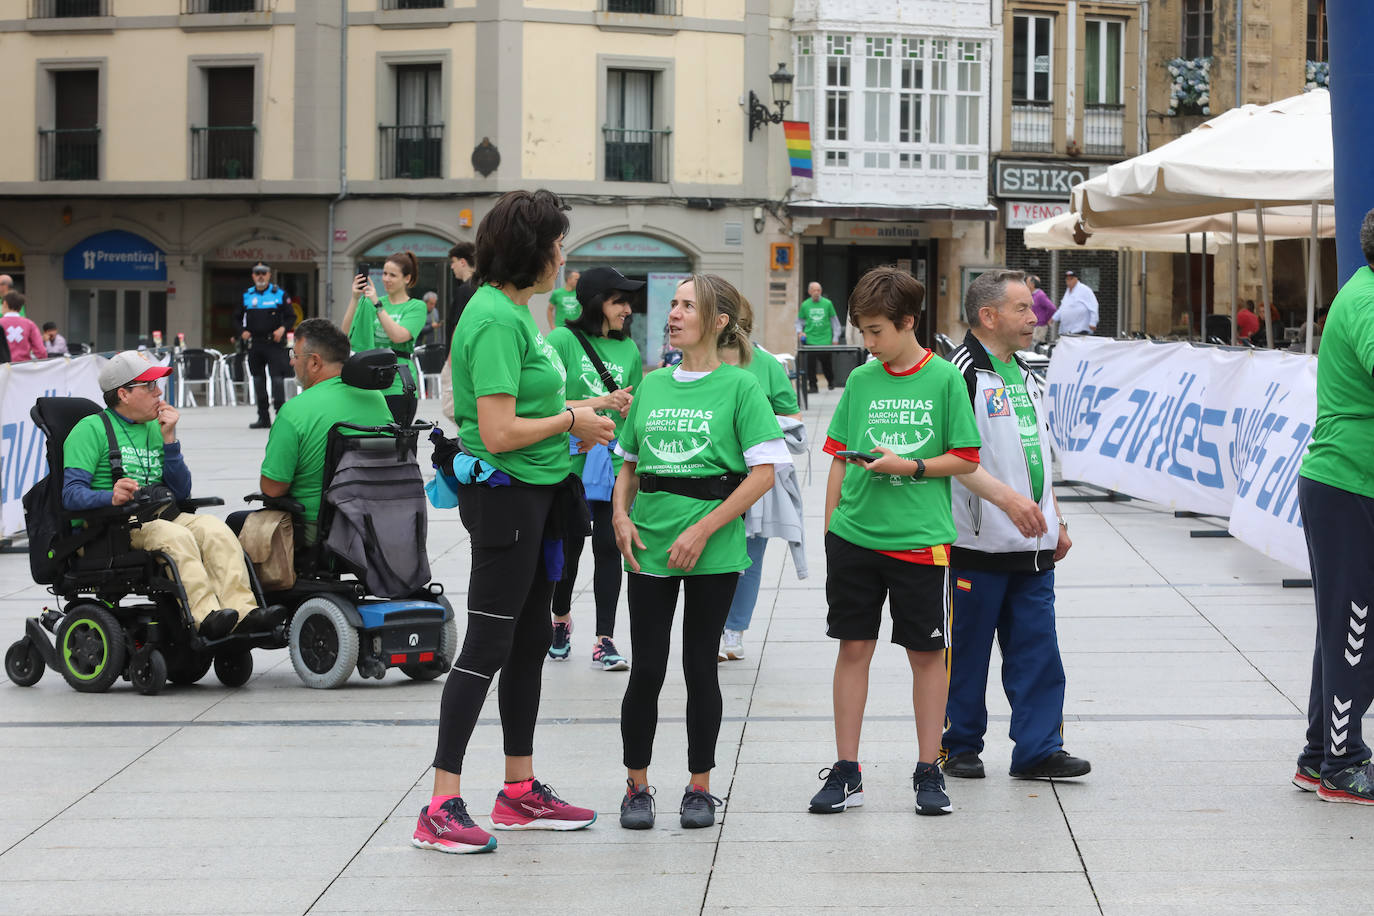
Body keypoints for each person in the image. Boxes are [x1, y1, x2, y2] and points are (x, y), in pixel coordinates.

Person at [414, 189, 615, 855]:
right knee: (489, 645)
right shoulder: (497, 320)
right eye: (558, 243)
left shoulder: (516, 316)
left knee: (528, 639)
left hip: (536, 494)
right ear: (535, 251)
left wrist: (586, 406)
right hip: (507, 497)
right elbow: (496, 430)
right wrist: (572, 422)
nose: (565, 255)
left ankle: (518, 791)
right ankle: (441, 804)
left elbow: (526, 403)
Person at [613, 274, 785, 831]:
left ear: (718, 321)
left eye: (689, 306)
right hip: (647, 543)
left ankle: (699, 787)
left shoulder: (740, 387)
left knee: (698, 668)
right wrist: (620, 514)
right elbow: (630, 462)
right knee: (646, 669)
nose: (675, 313)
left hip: (712, 547)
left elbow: (763, 473)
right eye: (674, 304)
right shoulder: (653, 383)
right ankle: (636, 787)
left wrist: (704, 529)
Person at [808, 266, 980, 818]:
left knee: (927, 655)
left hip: (920, 542)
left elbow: (966, 458)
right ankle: (847, 769)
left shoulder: (945, 379)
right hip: (855, 539)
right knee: (852, 648)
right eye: (863, 330)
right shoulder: (861, 380)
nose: (868, 342)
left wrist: (910, 466)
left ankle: (929, 770)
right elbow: (838, 455)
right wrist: (832, 526)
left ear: (909, 322)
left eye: (877, 331)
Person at [942, 269, 1091, 782]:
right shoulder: (958, 374)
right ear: (989, 316)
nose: (1036, 318)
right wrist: (1006, 502)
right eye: (1023, 309)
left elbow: (1037, 455)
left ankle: (1039, 748)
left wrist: (1056, 520)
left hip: (1033, 546)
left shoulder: (1028, 373)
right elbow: (951, 456)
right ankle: (958, 745)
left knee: (1039, 653)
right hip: (975, 546)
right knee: (966, 654)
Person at [62, 351, 268, 639]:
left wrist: (170, 441)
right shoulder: (89, 430)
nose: (158, 392)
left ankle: (244, 614)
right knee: (175, 537)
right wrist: (109, 496)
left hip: (159, 515)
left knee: (215, 529)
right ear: (123, 393)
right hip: (111, 529)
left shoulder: (155, 427)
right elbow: (70, 495)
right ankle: (205, 617)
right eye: (149, 386)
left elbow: (182, 492)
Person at [1292, 208, 1374, 804]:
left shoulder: (1361, 292)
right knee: (1354, 627)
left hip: (1346, 481)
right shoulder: (1369, 300)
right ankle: (1343, 762)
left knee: (1343, 624)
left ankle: (1320, 754)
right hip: (1351, 482)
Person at [544, 267, 644, 670]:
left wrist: (617, 430)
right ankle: (561, 619)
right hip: (567, 464)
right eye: (619, 300)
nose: (628, 309)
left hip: (613, 462)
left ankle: (605, 638)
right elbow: (546, 405)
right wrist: (594, 410)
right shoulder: (561, 341)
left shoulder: (630, 350)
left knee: (609, 547)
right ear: (595, 302)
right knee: (567, 553)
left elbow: (634, 411)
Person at [250, 318, 394, 543]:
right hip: (376, 528)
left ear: (314, 362)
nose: (291, 363)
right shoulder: (376, 399)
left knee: (237, 524)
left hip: (318, 533)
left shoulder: (294, 411)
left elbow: (272, 488)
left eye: (295, 356)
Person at [719, 295, 803, 662]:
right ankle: (712, 625)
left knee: (749, 558)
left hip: (755, 477)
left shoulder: (767, 364)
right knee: (712, 554)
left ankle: (734, 630)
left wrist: (757, 430)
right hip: (708, 475)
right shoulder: (697, 361)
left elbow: (791, 416)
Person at [342, 251, 428, 427]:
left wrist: (378, 306)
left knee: (397, 441)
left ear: (406, 278)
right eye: (384, 273)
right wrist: (355, 298)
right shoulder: (373, 301)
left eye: (393, 275)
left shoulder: (416, 306)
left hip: (399, 382)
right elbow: (345, 335)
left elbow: (398, 336)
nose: (386, 279)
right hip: (370, 381)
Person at [235, 262, 295, 430]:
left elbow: (291, 316)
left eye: (264, 273)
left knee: (277, 380)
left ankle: (281, 417)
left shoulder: (279, 294)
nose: (260, 276)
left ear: (269, 275)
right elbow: (236, 317)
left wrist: (282, 329)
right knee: (258, 380)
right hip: (255, 344)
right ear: (253, 276)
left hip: (274, 344)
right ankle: (263, 417)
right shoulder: (247, 295)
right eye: (257, 273)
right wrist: (242, 331)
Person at [797, 281, 841, 392]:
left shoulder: (827, 304)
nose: (816, 292)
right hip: (810, 340)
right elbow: (799, 322)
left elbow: (835, 322)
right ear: (809, 291)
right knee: (810, 366)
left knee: (827, 365)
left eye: (818, 290)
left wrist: (835, 338)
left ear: (821, 291)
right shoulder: (805, 305)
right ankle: (813, 386)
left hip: (825, 340)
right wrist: (800, 332)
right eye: (814, 290)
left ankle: (830, 381)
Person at [2, 293, 45, 361]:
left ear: (5, 303)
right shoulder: (30, 324)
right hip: (23, 367)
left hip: (2, 368)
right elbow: (41, 351)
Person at [1055, 270, 1098, 335]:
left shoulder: (1085, 290)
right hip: (1067, 330)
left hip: (1081, 329)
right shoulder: (1068, 291)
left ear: (1076, 279)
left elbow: (1093, 306)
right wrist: (1054, 318)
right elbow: (1063, 307)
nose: (1069, 281)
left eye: (1071, 279)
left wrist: (1093, 322)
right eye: (1067, 279)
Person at [447, 241, 477, 333]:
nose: (452, 266)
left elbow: (459, 328)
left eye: (453, 262)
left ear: (462, 262)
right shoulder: (482, 286)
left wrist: (452, 347)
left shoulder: (464, 290)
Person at [1026, 274, 1056, 344]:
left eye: (1027, 283)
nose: (1026, 285)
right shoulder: (1033, 295)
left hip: (1040, 326)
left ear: (1032, 284)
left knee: (1037, 347)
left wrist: (1046, 319)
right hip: (1035, 326)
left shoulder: (1040, 295)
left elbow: (1052, 308)